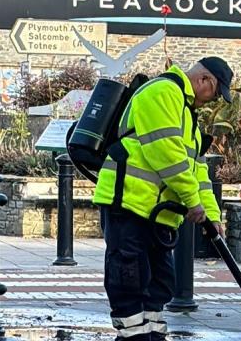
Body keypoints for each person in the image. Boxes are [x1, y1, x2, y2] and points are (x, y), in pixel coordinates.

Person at [93, 57, 233, 341]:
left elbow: (198, 171)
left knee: (159, 283)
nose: (213, 101)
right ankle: (134, 337)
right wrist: (193, 201)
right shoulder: (162, 93)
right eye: (216, 94)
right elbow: (167, 155)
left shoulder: (187, 115)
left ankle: (152, 335)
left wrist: (213, 215)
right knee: (128, 279)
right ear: (204, 80)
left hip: (156, 212)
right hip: (130, 204)